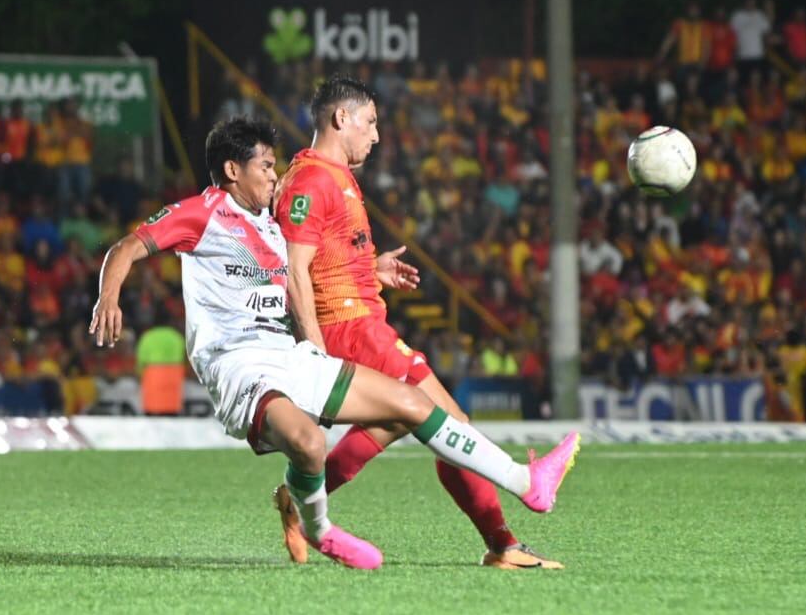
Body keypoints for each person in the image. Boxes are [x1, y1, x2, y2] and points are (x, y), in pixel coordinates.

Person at [89, 115, 580, 571]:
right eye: (265, 166)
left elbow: (312, 266)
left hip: (287, 353)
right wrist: (108, 298)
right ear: (232, 170)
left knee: (413, 404)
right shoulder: (203, 212)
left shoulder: (270, 222)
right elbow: (127, 247)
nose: (274, 175)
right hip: (238, 364)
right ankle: (319, 528)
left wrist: (370, 269)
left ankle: (526, 482)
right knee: (309, 443)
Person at [273, 75, 566, 569]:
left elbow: (324, 258)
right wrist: (316, 354)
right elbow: (293, 268)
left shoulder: (330, 176)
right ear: (341, 118)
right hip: (350, 328)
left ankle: (296, 493)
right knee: (453, 425)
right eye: (370, 122)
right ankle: (506, 538)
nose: (376, 135)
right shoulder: (312, 180)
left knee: (392, 422)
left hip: (360, 319)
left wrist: (371, 269)